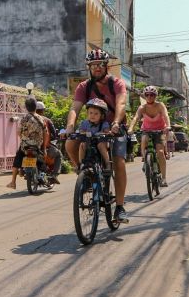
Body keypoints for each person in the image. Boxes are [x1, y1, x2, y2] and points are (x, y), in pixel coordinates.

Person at [65, 49, 129, 223]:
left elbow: (121, 103)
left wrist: (115, 124)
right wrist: (70, 127)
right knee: (70, 145)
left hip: (113, 129)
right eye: (93, 65)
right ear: (89, 68)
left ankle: (120, 207)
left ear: (106, 66)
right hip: (91, 128)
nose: (97, 68)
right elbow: (75, 108)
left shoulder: (117, 83)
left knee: (119, 162)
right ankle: (83, 172)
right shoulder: (84, 87)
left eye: (100, 64)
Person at [127, 85, 170, 187]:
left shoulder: (160, 105)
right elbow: (136, 118)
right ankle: (145, 160)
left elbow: (166, 115)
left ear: (155, 96)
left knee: (160, 153)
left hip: (160, 131)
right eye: (147, 95)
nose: (150, 97)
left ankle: (163, 178)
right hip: (146, 130)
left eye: (152, 95)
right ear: (145, 96)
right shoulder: (142, 107)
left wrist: (168, 126)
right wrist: (131, 128)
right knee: (144, 138)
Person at [6, 96, 50, 189]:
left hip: (25, 145)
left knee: (17, 159)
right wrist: (44, 148)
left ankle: (13, 182)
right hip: (37, 145)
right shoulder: (42, 119)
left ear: (26, 107)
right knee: (42, 160)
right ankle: (42, 175)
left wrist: (23, 138)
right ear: (35, 107)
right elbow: (46, 133)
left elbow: (18, 132)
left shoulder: (24, 118)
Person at [77, 98, 111, 170]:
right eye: (90, 113)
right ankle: (81, 164)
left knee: (101, 145)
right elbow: (81, 131)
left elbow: (107, 131)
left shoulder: (104, 124)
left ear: (102, 115)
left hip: (101, 141)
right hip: (89, 141)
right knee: (82, 144)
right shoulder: (84, 123)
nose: (93, 115)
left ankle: (107, 163)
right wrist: (83, 133)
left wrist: (103, 132)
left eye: (96, 114)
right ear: (87, 113)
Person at [34, 101, 62, 182]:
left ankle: (21, 170)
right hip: (44, 147)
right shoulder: (47, 120)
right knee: (59, 154)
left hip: (28, 146)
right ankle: (54, 175)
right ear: (43, 110)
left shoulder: (28, 118)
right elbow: (54, 133)